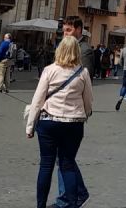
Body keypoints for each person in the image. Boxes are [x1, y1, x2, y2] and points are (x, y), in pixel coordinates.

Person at [25, 34, 93, 208]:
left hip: (49, 123)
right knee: (67, 164)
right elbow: (88, 101)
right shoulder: (83, 72)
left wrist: (30, 126)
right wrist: (84, 115)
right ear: (77, 52)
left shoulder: (49, 70)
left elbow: (37, 100)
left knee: (46, 165)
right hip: (73, 124)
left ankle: (40, 205)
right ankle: (71, 204)